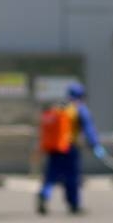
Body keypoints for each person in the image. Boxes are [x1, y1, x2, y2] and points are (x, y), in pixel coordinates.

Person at [36, 82, 105, 215]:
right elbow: (89, 129)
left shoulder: (59, 107)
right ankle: (73, 204)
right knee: (72, 177)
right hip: (69, 148)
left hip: (54, 148)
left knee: (50, 176)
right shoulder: (79, 109)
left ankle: (44, 195)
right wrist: (95, 145)